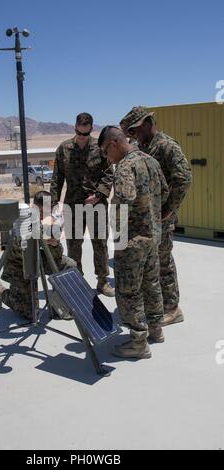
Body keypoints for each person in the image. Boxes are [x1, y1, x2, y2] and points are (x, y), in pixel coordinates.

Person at [98, 126, 169, 359]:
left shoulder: (125, 167)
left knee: (129, 290)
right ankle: (156, 330)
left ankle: (138, 341)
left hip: (132, 240)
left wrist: (118, 231)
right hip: (153, 236)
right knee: (151, 284)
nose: (108, 159)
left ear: (113, 144)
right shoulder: (150, 161)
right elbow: (165, 192)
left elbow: (124, 198)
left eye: (106, 153)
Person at [120, 106, 192, 326]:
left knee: (163, 263)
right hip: (145, 219)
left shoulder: (166, 146)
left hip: (161, 218)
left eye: (133, 131)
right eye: (129, 134)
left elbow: (184, 178)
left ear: (146, 123)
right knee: (150, 264)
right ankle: (156, 306)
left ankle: (172, 308)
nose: (132, 136)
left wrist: (168, 209)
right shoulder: (142, 146)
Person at [50, 112, 115, 297]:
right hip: (73, 205)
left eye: (86, 134)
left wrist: (99, 194)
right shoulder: (64, 149)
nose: (82, 137)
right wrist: (53, 206)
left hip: (96, 205)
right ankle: (76, 280)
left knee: (100, 244)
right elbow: (56, 179)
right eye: (79, 133)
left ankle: (102, 282)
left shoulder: (100, 148)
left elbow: (109, 173)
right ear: (75, 128)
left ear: (91, 130)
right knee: (73, 245)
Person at [0, 191, 76, 319]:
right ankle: (0, 292)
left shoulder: (52, 221)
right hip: (21, 265)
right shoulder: (20, 218)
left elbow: (56, 257)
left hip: (39, 259)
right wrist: (36, 238)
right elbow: (15, 251)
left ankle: (57, 305)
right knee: (30, 313)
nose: (44, 216)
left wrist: (54, 245)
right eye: (41, 212)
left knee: (69, 265)